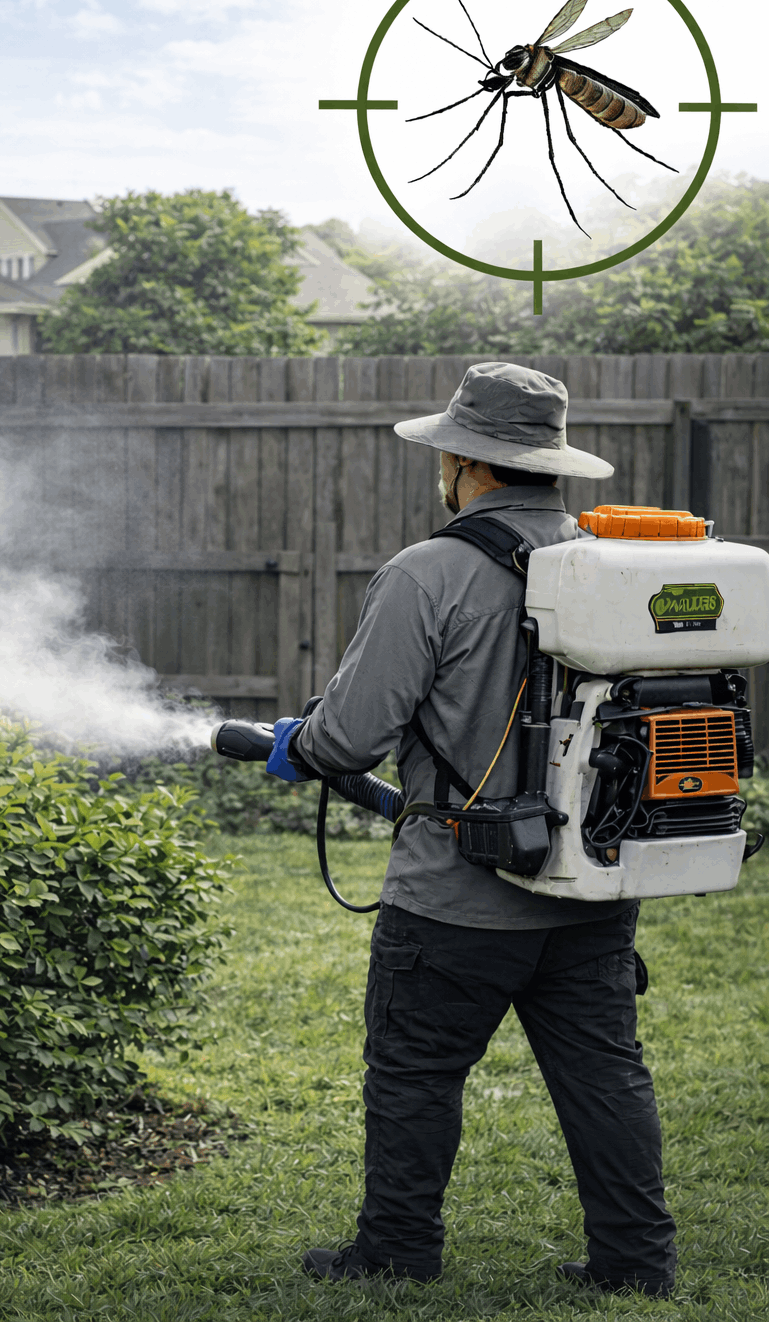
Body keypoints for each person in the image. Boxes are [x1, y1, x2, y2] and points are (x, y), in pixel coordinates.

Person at [265, 362, 677, 1299]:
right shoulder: (612, 565)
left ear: (466, 464)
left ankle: (396, 1252)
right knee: (606, 1077)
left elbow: (350, 737)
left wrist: (303, 743)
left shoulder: (428, 573)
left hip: (453, 899)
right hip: (587, 887)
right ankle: (635, 1264)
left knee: (414, 1074)